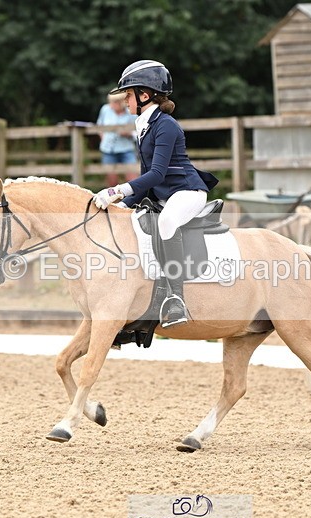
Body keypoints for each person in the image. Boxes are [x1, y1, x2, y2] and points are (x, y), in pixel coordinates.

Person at [93, 60, 218, 329]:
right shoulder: (144, 126)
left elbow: (157, 173)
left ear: (145, 95)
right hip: (163, 193)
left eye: (128, 94)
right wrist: (122, 206)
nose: (125, 100)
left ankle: (176, 299)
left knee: (166, 222)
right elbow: (146, 176)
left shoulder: (167, 125)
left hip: (187, 192)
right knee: (133, 222)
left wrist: (116, 191)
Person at [96, 92, 138, 187]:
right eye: (110, 102)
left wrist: (128, 133)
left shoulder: (131, 112)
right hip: (108, 150)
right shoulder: (105, 109)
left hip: (126, 149)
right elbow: (99, 126)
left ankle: (134, 200)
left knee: (132, 179)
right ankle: (114, 200)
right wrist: (103, 139)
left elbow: (138, 132)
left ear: (122, 102)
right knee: (112, 181)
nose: (111, 105)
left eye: (114, 102)